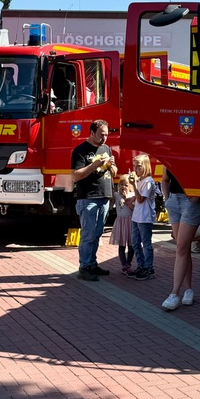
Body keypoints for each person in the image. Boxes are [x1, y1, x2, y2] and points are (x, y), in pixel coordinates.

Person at [70, 120, 116, 281]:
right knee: (88, 235)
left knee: (97, 235)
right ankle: (84, 268)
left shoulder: (107, 148)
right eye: (101, 135)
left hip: (104, 197)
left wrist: (111, 166)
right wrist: (95, 164)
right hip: (88, 198)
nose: (104, 138)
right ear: (92, 133)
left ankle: (92, 263)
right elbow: (75, 176)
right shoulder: (81, 151)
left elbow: (114, 172)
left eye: (106, 135)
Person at [161, 169, 200, 311]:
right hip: (174, 200)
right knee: (183, 249)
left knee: (181, 247)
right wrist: (167, 199)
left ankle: (174, 293)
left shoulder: (196, 154)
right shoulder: (171, 156)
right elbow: (165, 179)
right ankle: (188, 289)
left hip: (190, 202)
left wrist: (197, 195)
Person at [129, 154, 156, 281]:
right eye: (134, 166)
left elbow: (140, 199)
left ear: (145, 166)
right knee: (135, 242)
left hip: (145, 217)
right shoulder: (141, 181)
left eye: (138, 166)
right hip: (137, 216)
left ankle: (149, 268)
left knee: (146, 243)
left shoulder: (149, 182)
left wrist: (134, 185)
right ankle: (141, 265)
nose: (135, 169)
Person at [110, 174, 136, 276]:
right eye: (121, 184)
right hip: (121, 222)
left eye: (126, 185)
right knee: (121, 245)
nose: (123, 187)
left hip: (130, 222)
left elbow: (134, 209)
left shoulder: (132, 195)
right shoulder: (116, 195)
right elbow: (111, 205)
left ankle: (128, 263)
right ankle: (124, 265)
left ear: (130, 186)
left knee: (131, 245)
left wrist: (126, 199)